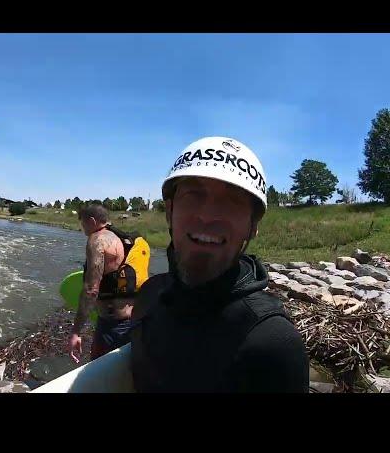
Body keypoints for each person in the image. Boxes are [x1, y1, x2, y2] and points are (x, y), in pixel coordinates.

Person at [131, 136, 309, 392]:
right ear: (169, 212)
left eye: (233, 201)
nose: (208, 215)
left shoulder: (271, 341)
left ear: (252, 227)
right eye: (194, 194)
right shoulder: (148, 297)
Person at [68, 204, 149, 362]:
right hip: (133, 321)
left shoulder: (97, 240)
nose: (82, 228)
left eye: (82, 223)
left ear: (91, 221)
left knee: (100, 380)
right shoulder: (124, 239)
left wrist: (75, 332)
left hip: (111, 327)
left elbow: (91, 289)